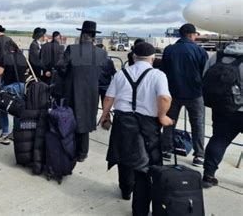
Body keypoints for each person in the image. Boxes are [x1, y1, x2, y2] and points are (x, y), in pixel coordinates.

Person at [101, 42, 173, 214]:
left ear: (134, 57)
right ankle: (139, 210)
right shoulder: (158, 75)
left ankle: (126, 191)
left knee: (123, 157)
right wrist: (162, 116)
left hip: (122, 121)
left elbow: (109, 98)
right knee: (144, 168)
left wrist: (104, 116)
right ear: (153, 58)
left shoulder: (121, 73)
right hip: (146, 125)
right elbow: (164, 98)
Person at [57, 21, 108, 162]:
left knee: (70, 120)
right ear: (93, 37)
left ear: (81, 35)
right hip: (91, 94)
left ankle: (70, 149)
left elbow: (60, 67)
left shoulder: (72, 49)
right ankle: (82, 153)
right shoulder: (102, 53)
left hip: (72, 91)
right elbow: (105, 74)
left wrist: (67, 78)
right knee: (84, 122)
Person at [161, 23, 208, 166]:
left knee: (169, 123)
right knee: (197, 124)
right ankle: (199, 155)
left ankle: (166, 151)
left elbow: (164, 70)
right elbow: (204, 73)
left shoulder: (169, 50)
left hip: (173, 93)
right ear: (192, 34)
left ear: (180, 35)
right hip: (194, 94)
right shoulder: (199, 51)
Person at [202, 42, 243, 188]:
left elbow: (205, 77)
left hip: (222, 108)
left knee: (218, 140)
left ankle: (208, 176)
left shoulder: (216, 56)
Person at [0, 40, 28, 145]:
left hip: (9, 87)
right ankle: (15, 133)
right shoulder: (23, 57)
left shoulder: (5, 57)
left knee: (3, 110)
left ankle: (5, 134)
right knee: (17, 110)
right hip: (21, 86)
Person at [96, 43, 116, 129]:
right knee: (106, 106)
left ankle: (93, 121)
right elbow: (114, 73)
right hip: (106, 86)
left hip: (95, 86)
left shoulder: (93, 61)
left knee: (94, 105)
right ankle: (105, 121)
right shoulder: (109, 61)